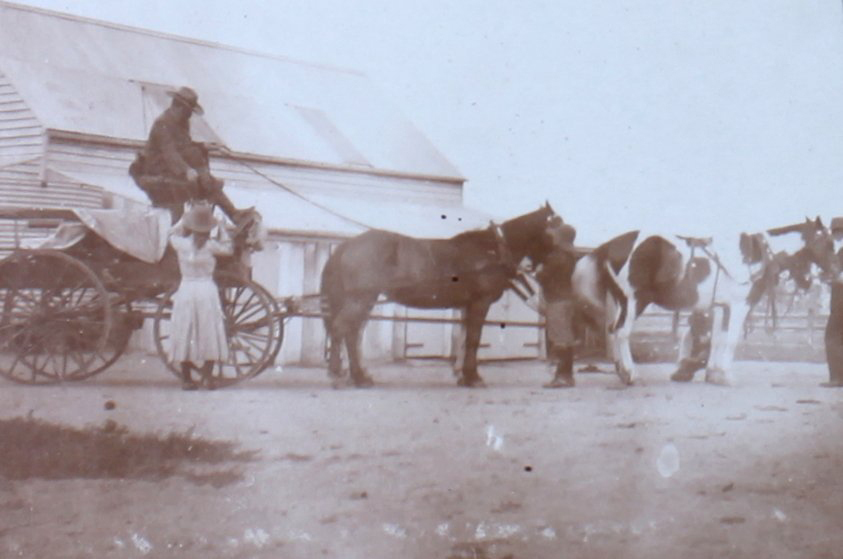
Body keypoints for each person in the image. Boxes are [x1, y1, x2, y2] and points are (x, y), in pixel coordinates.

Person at [130, 86, 246, 223]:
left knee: (208, 181)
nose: (190, 115)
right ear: (179, 108)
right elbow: (170, 153)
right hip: (157, 170)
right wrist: (187, 170)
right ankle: (197, 222)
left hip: (173, 169)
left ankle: (234, 214)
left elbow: (185, 146)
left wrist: (205, 147)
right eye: (188, 112)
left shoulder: (182, 123)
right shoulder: (162, 124)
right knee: (195, 186)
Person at [168, 202, 232, 390]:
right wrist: (220, 227)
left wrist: (184, 219)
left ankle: (186, 379)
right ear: (208, 228)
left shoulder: (181, 244)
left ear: (191, 227)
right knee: (209, 331)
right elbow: (229, 248)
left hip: (186, 290)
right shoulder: (212, 246)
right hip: (206, 291)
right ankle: (206, 376)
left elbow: (171, 234)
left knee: (185, 331)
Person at [536, 219, 580, 388]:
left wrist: (537, 272)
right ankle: (567, 376)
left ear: (561, 237)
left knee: (560, 339)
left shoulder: (557, 256)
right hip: (568, 298)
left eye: (556, 235)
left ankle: (562, 377)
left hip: (557, 300)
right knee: (566, 339)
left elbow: (543, 276)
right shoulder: (572, 255)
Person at [822, 217, 843, 387]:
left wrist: (833, 278)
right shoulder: (837, 251)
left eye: (838, 231)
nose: (836, 234)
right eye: (835, 231)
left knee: (832, 336)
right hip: (837, 298)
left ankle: (837, 377)